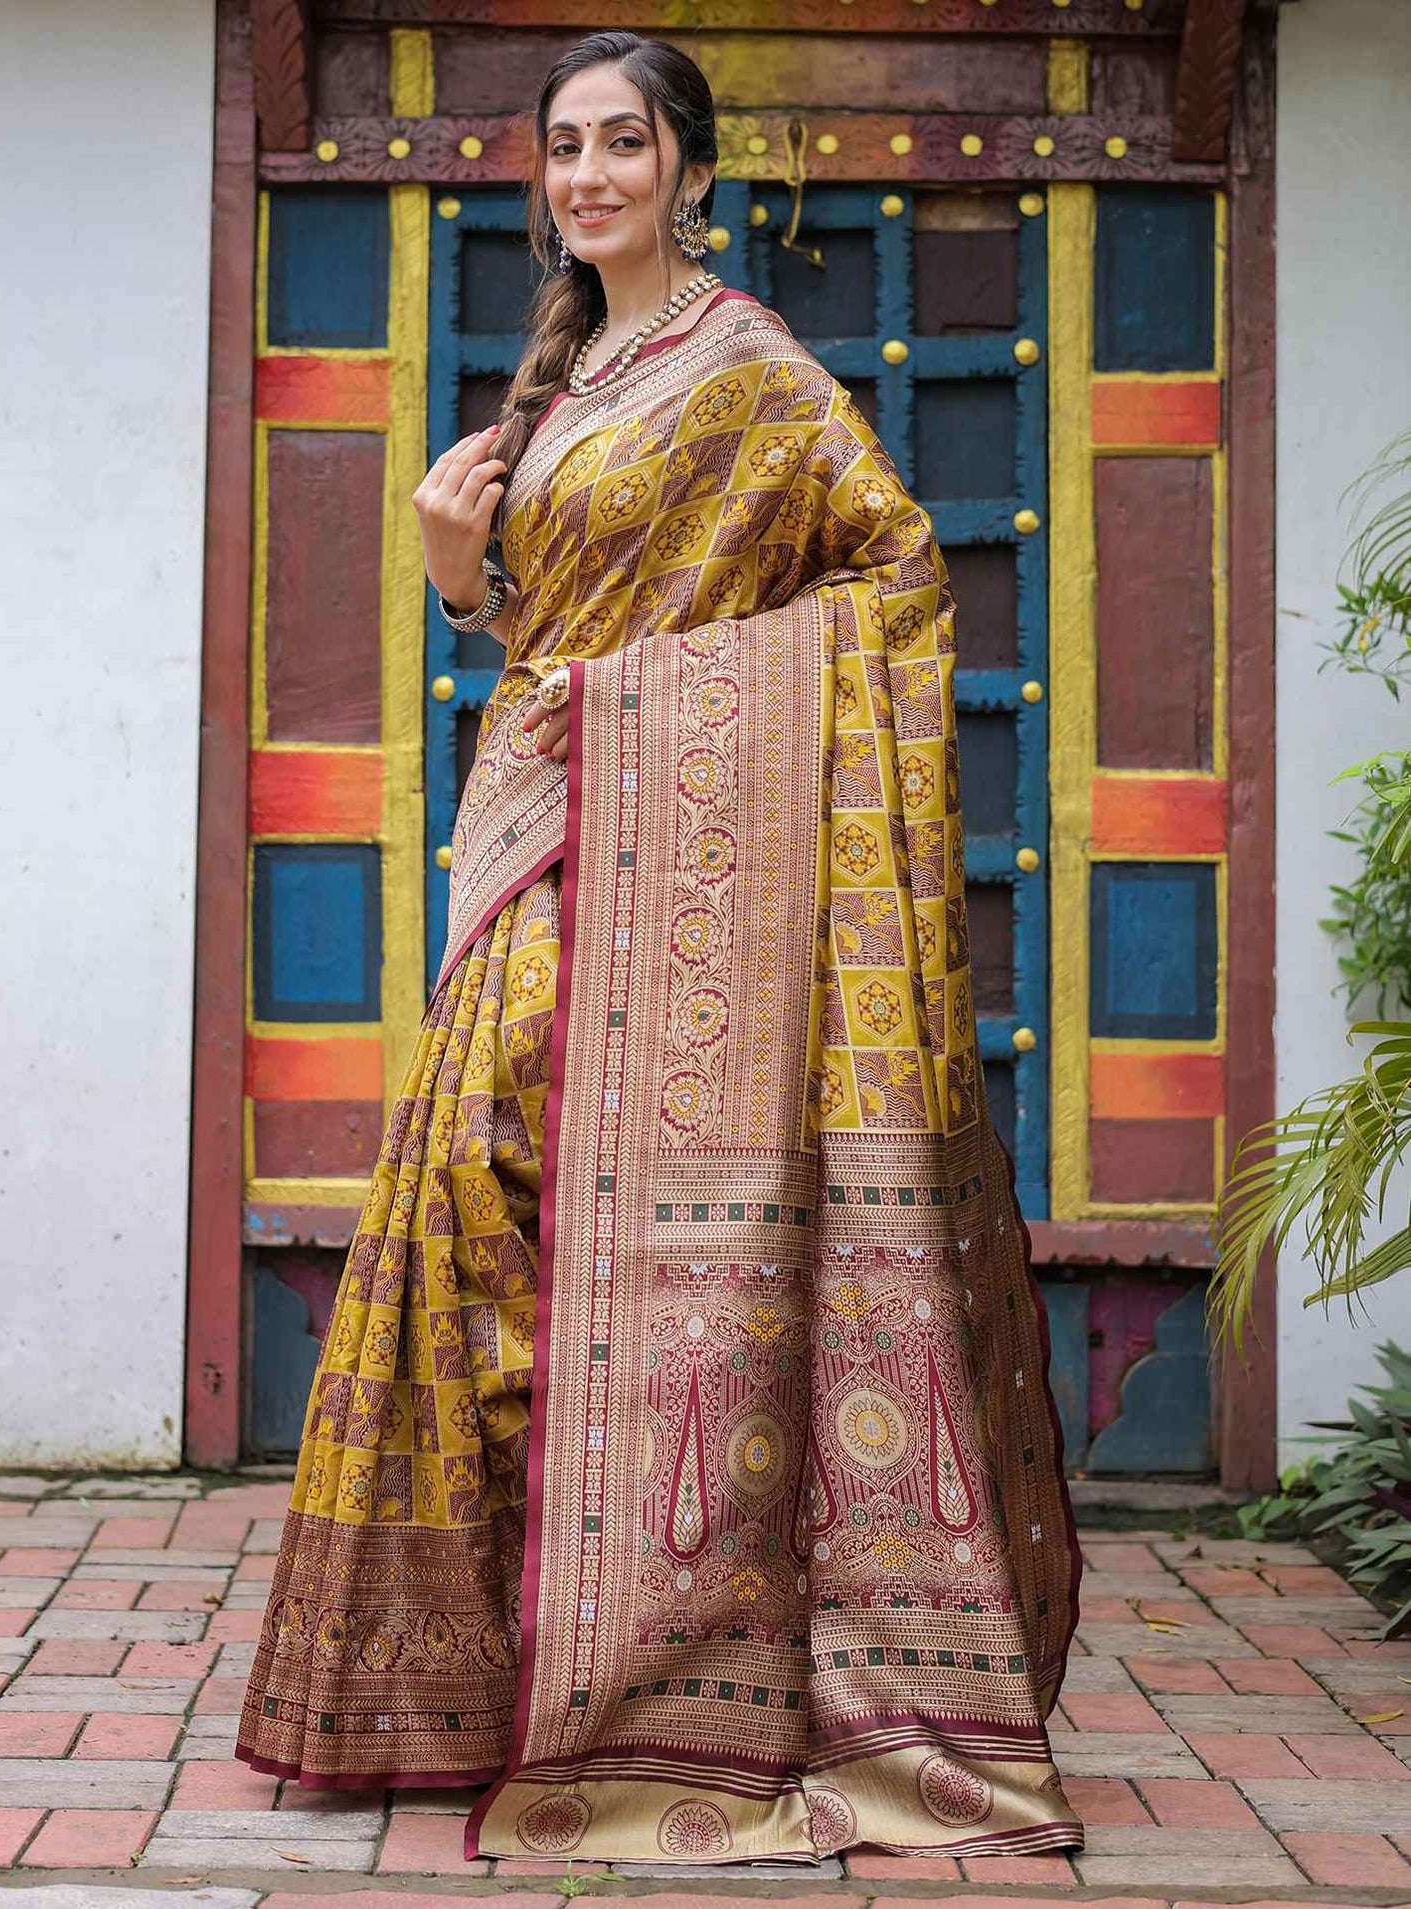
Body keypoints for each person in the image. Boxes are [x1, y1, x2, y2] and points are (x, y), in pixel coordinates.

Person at [237, 29, 1082, 1866]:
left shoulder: (753, 370)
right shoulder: (567, 376)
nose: (594, 173)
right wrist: (459, 570)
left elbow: (899, 579)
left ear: (691, 169)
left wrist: (663, 707)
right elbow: (534, 641)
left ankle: (662, 1674)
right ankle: (483, 1684)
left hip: (667, 870)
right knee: (481, 1217)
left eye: (628, 142)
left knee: (543, 1220)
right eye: (566, 146)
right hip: (541, 843)